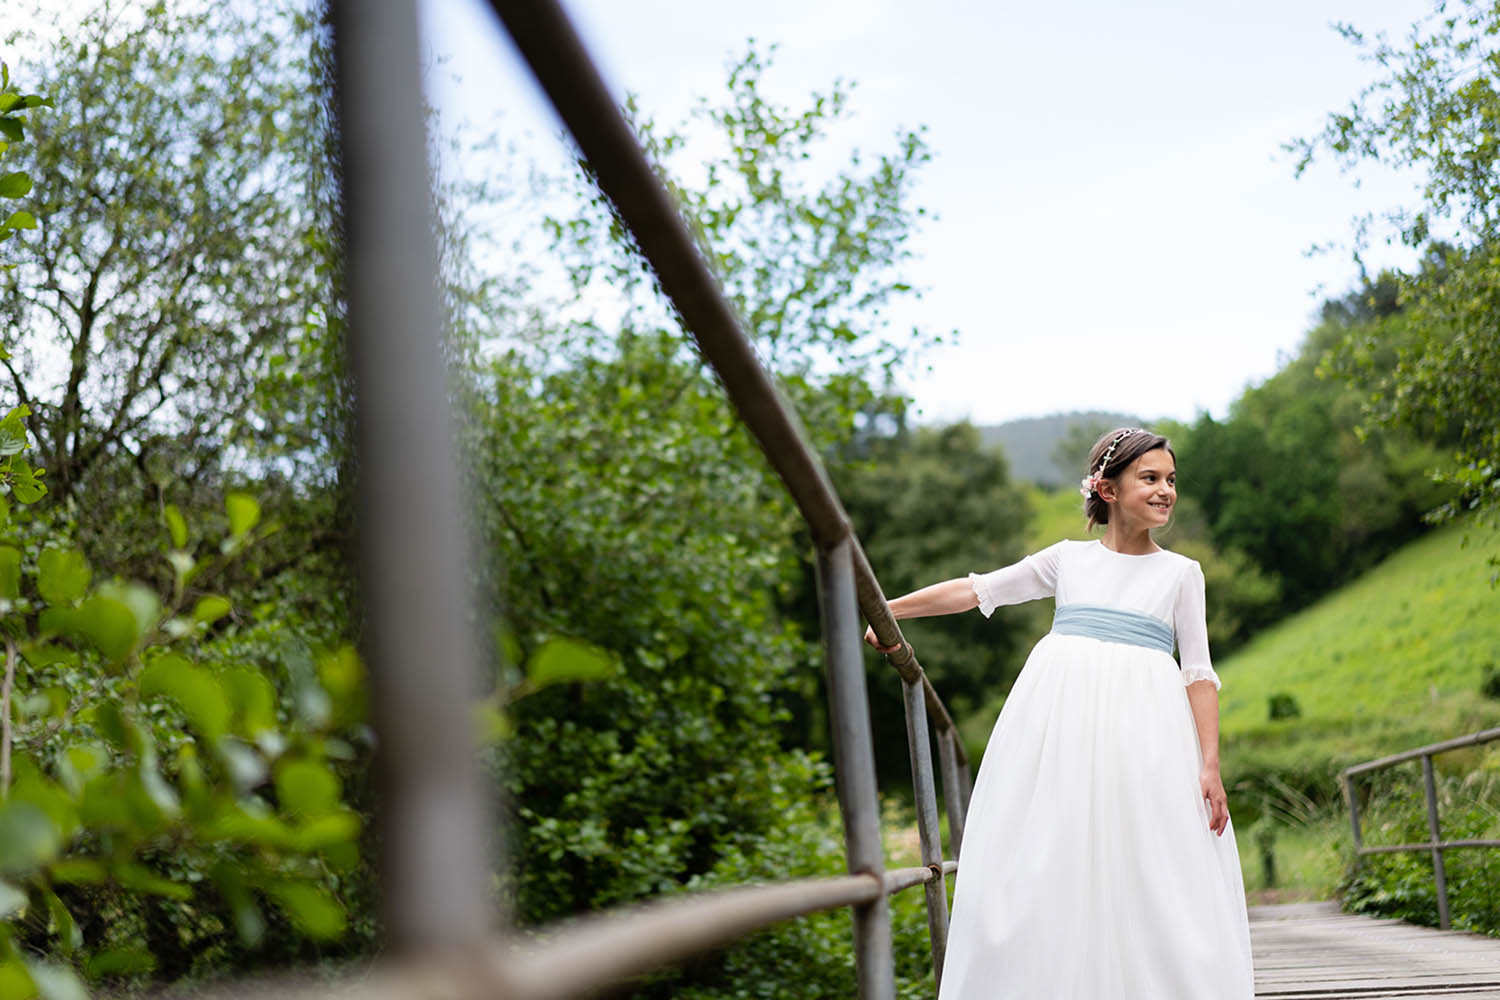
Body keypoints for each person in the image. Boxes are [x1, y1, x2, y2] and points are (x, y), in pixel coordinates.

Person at [865, 427, 1254, 999]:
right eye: (1150, 478)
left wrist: (1210, 764)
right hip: (1062, 734)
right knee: (1055, 856)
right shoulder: (1068, 561)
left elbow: (1198, 672)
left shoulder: (1180, 574)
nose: (1166, 491)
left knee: (1150, 863)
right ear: (1108, 486)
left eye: (1171, 480)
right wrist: (888, 611)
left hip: (1147, 739)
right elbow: (976, 591)